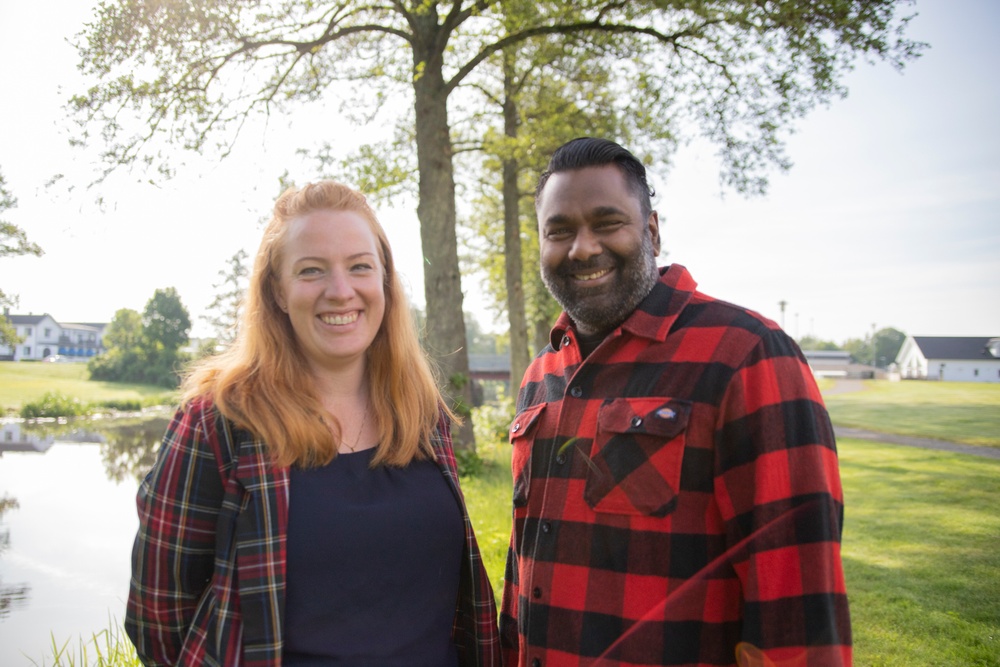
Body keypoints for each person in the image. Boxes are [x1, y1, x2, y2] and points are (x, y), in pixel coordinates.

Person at [500, 138, 851, 667]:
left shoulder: (746, 355)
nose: (583, 248)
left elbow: (796, 602)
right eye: (560, 231)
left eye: (607, 222)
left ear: (652, 231)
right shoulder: (541, 375)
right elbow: (524, 567)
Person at [125, 180, 501, 666]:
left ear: (385, 280)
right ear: (278, 292)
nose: (341, 291)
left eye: (360, 266)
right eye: (311, 271)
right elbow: (159, 617)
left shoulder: (420, 413)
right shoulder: (219, 421)